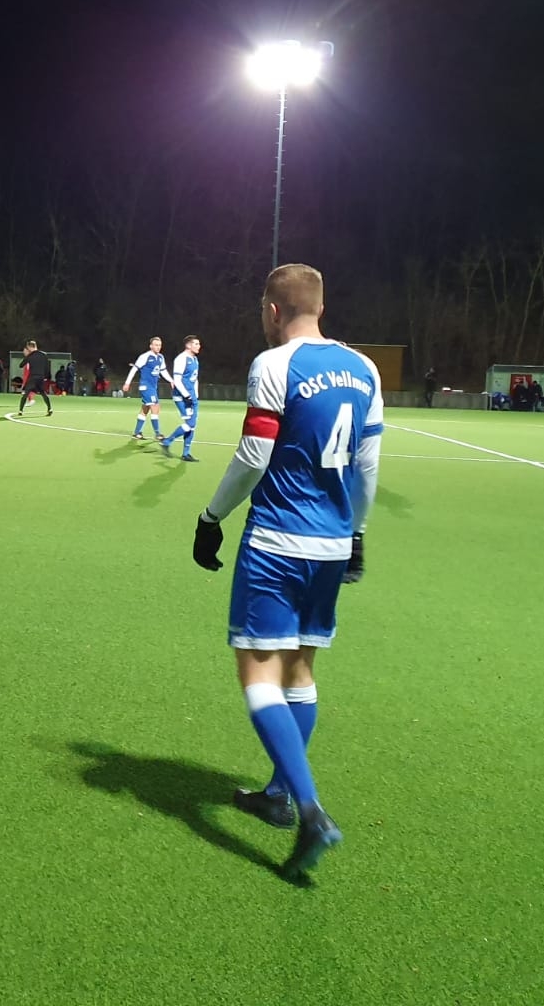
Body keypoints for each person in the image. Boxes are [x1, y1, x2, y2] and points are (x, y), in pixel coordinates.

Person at [189, 263, 383, 882]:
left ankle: (310, 809)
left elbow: (254, 455)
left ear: (273, 310)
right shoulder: (365, 368)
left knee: (258, 674)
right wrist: (356, 533)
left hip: (277, 541)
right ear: (320, 308)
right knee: (299, 670)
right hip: (333, 544)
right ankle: (277, 793)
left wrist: (211, 517)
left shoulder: (274, 365)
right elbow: (368, 465)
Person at [159, 335, 202, 461]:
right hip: (182, 397)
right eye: (196, 344)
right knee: (190, 424)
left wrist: (195, 395)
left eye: (199, 344)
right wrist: (186, 395)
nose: (199, 346)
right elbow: (177, 380)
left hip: (192, 397)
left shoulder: (195, 359)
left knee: (192, 425)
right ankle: (167, 441)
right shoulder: (181, 359)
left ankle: (186, 453)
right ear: (188, 345)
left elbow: (195, 378)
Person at [121, 336, 172, 441]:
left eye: (160, 345)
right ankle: (158, 434)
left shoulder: (160, 357)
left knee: (145, 409)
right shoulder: (145, 356)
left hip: (153, 387)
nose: (158, 347)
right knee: (155, 406)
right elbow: (134, 369)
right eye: (156, 345)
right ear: (151, 346)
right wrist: (127, 383)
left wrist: (171, 380)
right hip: (146, 386)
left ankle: (137, 433)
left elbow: (163, 371)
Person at [16, 340, 52, 417]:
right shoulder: (44, 355)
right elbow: (47, 368)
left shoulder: (30, 355)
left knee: (25, 394)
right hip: (41, 378)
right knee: (43, 393)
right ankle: (50, 409)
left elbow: (21, 365)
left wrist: (27, 357)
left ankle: (20, 411)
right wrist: (46, 377)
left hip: (32, 377)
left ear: (29, 347)